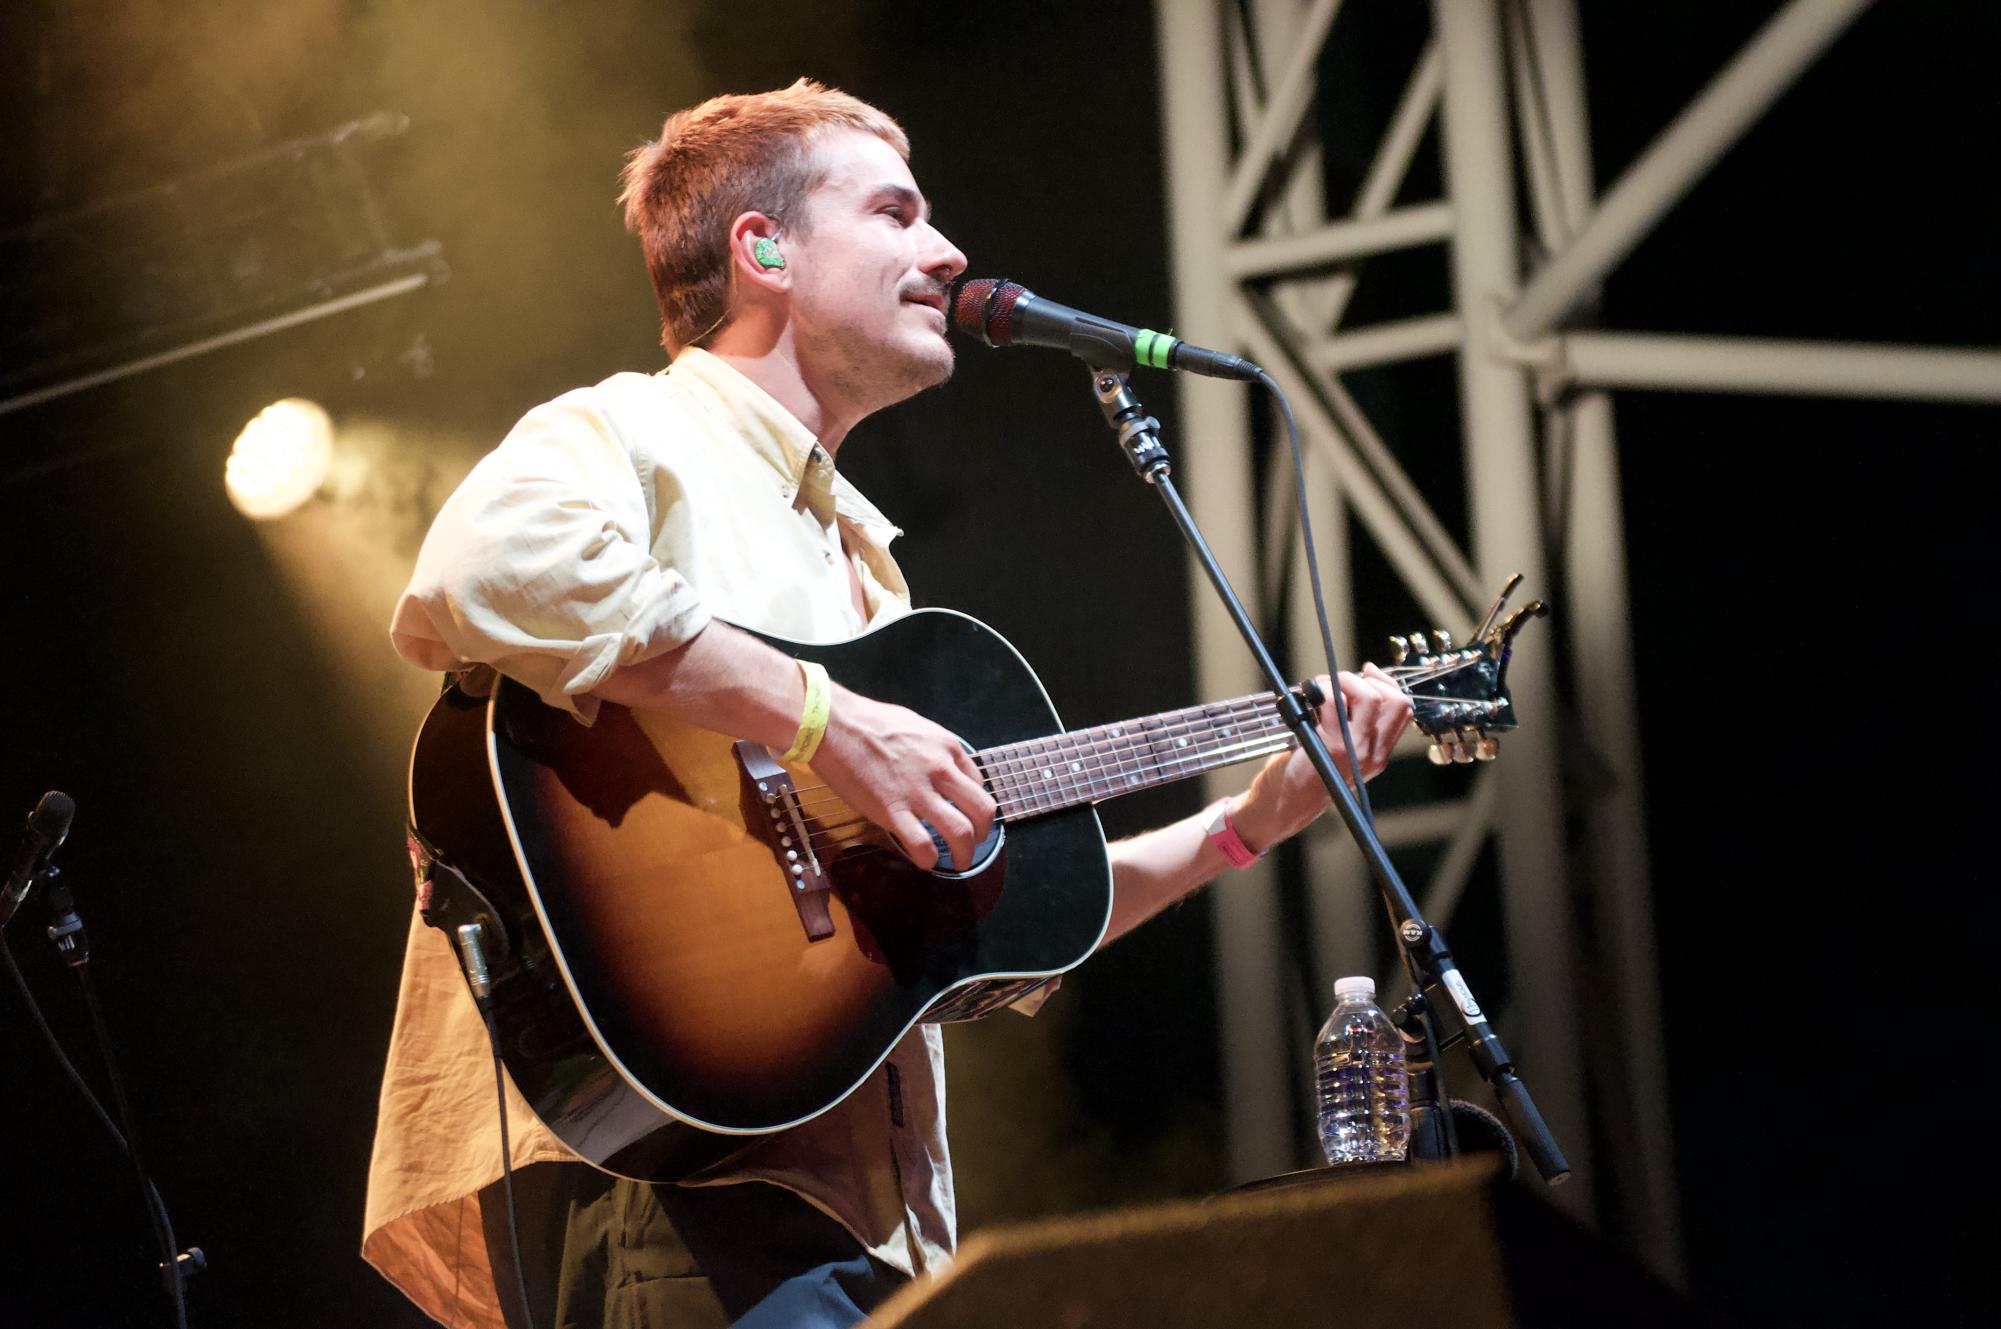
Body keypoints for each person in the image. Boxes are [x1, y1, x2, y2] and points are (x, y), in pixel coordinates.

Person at [362, 80, 1410, 1329]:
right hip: (686, 1187)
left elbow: (982, 937)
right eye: (896, 212)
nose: (949, 250)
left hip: (855, 1220)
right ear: (764, 250)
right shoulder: (634, 430)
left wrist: (1247, 826)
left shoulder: (861, 568)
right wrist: (825, 722)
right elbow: (480, 571)